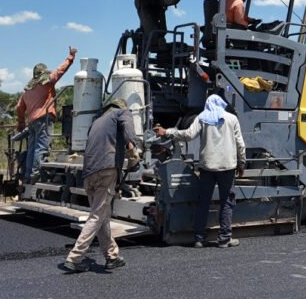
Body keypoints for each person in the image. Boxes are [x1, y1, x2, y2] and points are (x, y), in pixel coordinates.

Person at [154, 94, 246, 248]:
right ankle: (224, 239)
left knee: (203, 202)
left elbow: (188, 135)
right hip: (227, 167)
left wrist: (168, 132)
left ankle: (199, 238)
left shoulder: (203, 117)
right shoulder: (232, 119)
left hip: (207, 167)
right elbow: (240, 144)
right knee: (227, 202)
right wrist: (241, 163)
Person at [63, 97, 138, 272]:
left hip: (89, 172)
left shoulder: (96, 121)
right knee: (97, 215)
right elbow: (129, 132)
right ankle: (75, 257)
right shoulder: (122, 113)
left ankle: (111, 256)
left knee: (102, 215)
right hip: (106, 169)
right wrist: (133, 151)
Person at [16, 47, 76, 182]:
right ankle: (36, 174)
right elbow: (60, 71)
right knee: (41, 148)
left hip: (31, 122)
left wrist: (21, 122)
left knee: (32, 148)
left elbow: (19, 107)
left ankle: (28, 175)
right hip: (44, 119)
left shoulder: (26, 91)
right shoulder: (47, 83)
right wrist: (70, 57)